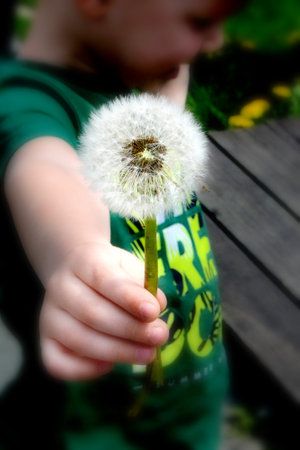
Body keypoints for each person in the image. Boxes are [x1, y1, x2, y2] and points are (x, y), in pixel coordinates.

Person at [0, 1, 249, 449]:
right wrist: (76, 252)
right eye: (200, 21)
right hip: (97, 434)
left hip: (192, 414)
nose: (216, 42)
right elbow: (44, 166)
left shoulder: (142, 79)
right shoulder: (24, 102)